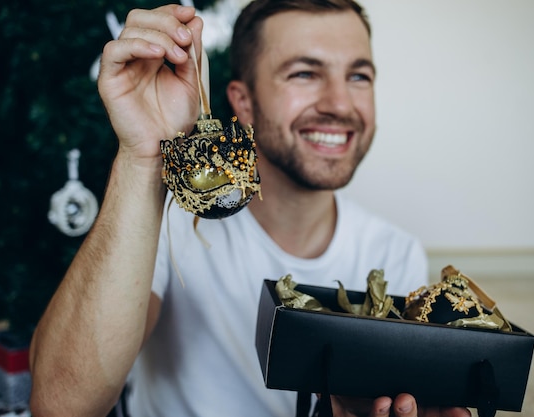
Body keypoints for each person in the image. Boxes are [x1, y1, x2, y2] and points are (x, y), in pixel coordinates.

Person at [29, 1, 471, 417]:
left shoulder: (396, 252)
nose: (340, 104)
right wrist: (141, 156)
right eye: (304, 74)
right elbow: (60, 406)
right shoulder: (167, 226)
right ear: (242, 102)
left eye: (359, 76)